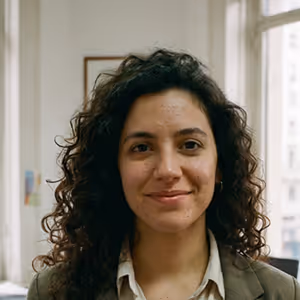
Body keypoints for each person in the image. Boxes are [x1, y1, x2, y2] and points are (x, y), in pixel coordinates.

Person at [27, 49, 300, 300]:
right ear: (114, 169)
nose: (168, 170)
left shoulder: (284, 294)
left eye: (190, 145)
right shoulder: (51, 292)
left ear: (220, 165)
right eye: (142, 148)